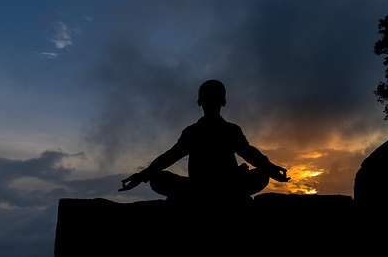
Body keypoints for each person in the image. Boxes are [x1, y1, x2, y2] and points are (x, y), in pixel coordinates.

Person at [118, 79, 290, 205]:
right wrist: (143, 176)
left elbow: (250, 153)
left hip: (210, 188)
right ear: (223, 102)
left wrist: (271, 169)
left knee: (262, 174)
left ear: (200, 102)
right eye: (210, 99)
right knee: (157, 178)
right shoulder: (196, 131)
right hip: (210, 188)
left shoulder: (225, 130)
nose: (211, 103)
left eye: (213, 99)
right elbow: (169, 157)